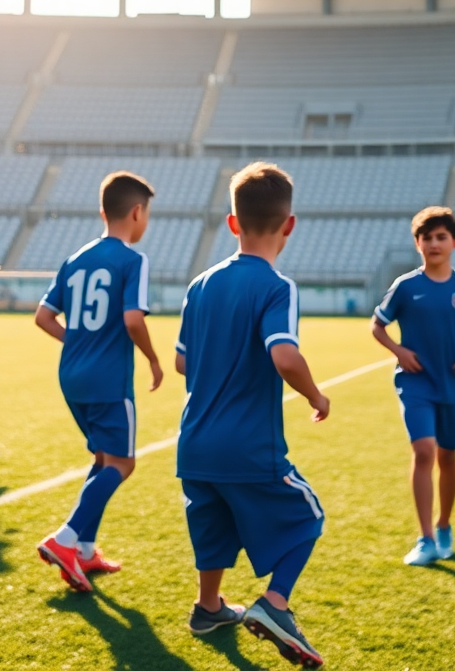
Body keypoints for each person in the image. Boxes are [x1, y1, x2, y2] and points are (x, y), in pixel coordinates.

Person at [174, 162, 329, 668]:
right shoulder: (276, 286)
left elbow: (181, 360)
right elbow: (284, 356)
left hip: (194, 442)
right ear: (289, 224)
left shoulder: (200, 285)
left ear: (232, 223)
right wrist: (314, 395)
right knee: (308, 518)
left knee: (214, 525)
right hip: (247, 443)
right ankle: (274, 604)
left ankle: (209, 608)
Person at [35, 172, 165, 591]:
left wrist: (77, 341)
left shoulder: (75, 258)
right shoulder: (132, 260)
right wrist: (153, 359)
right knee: (123, 463)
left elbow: (43, 317)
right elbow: (132, 319)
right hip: (109, 378)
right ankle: (66, 539)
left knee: (102, 460)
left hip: (70, 374)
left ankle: (86, 552)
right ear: (136, 212)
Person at [370, 206, 455, 566]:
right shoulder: (406, 286)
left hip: (451, 385)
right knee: (424, 451)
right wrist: (399, 351)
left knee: (448, 455)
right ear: (418, 244)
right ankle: (426, 537)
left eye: (441, 237)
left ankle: (444, 526)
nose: (434, 243)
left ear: (454, 242)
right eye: (426, 237)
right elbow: (377, 325)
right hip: (414, 384)